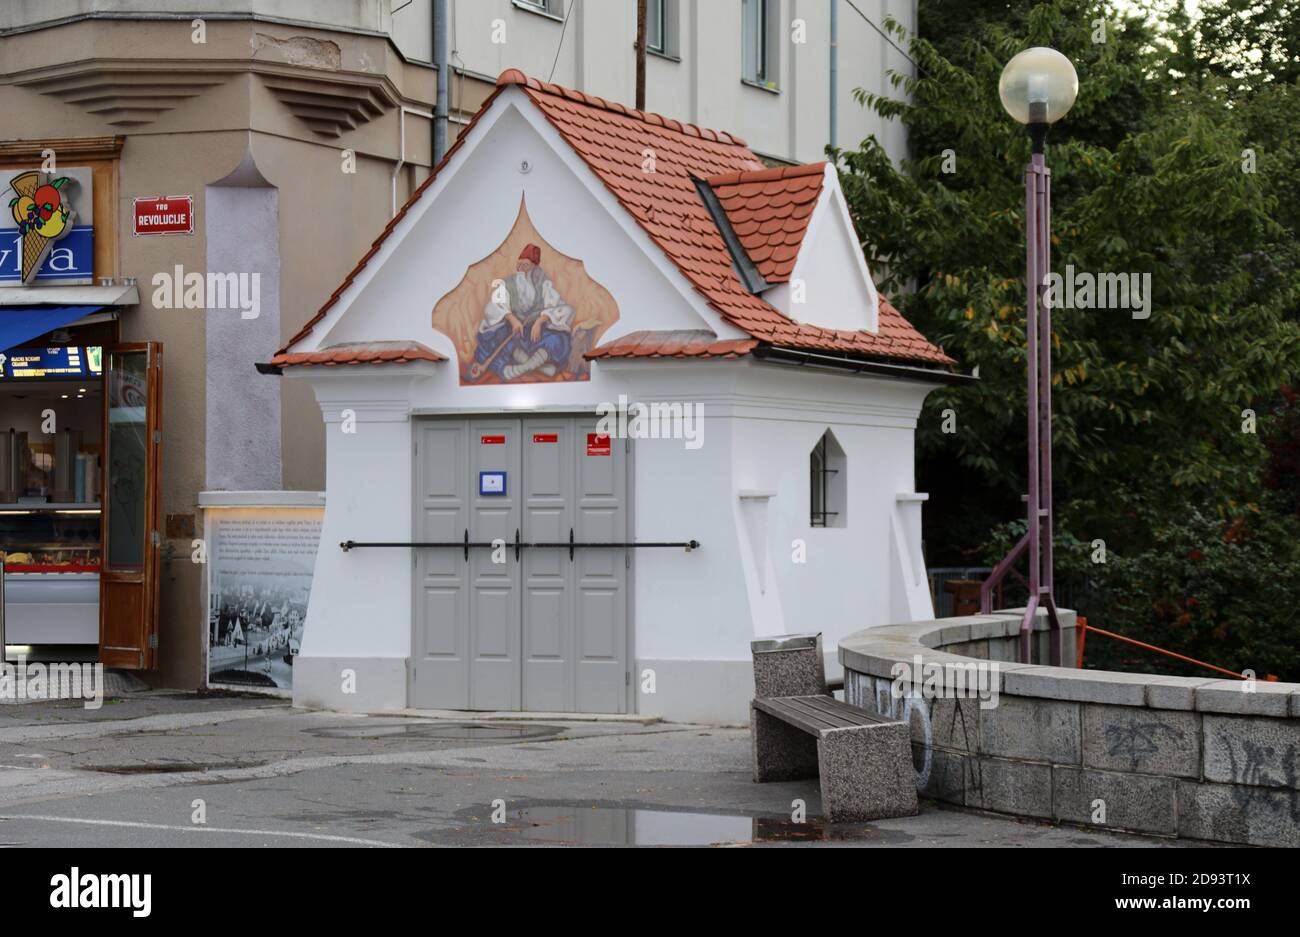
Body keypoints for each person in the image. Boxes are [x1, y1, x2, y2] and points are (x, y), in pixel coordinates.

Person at [472, 244, 576, 381]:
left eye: (525, 266)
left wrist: (540, 321)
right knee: (489, 342)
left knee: (560, 339)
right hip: (513, 331)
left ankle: (522, 368)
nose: (520, 269)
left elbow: (562, 308)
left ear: (534, 268)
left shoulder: (543, 284)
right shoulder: (508, 284)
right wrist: (512, 320)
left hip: (535, 332)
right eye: (519, 265)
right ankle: (532, 367)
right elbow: (493, 306)